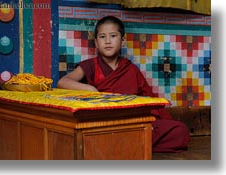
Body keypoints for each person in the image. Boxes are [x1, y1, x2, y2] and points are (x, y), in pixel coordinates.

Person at [57, 15, 190, 153]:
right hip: (103, 123)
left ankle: (123, 144)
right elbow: (63, 82)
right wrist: (91, 89)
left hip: (132, 122)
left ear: (123, 41)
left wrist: (147, 121)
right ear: (96, 42)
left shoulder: (130, 69)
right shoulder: (91, 66)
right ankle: (131, 144)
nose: (107, 41)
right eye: (102, 37)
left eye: (113, 36)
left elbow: (148, 99)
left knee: (180, 131)